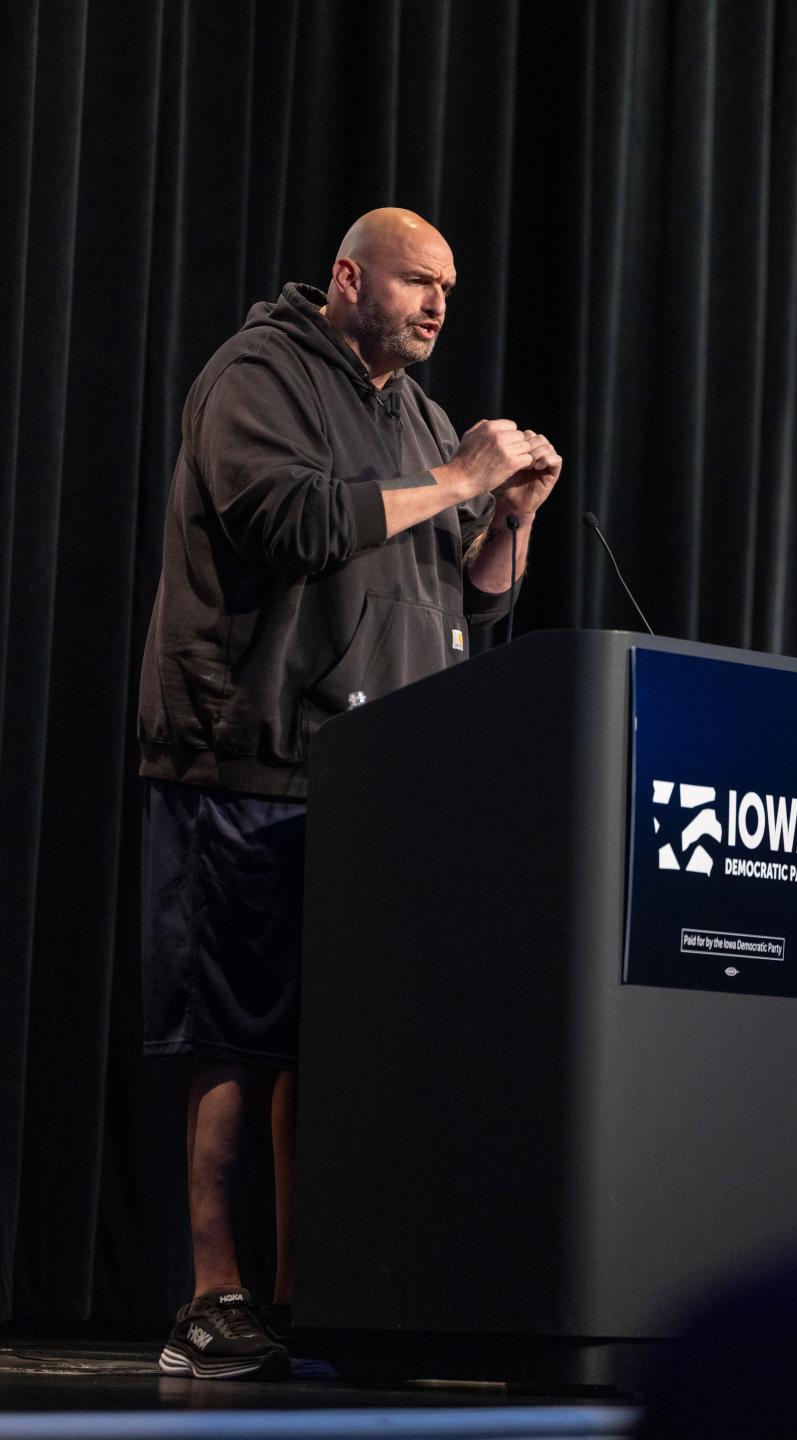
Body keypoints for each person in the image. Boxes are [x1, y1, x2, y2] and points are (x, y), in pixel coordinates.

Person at [137, 207, 561, 1379]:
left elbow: (466, 599)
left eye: (449, 289)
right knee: (237, 1031)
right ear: (347, 279)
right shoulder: (258, 373)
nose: (436, 304)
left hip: (372, 781)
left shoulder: (412, 413)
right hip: (251, 754)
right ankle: (209, 1298)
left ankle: (302, 1291)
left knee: (329, 1043)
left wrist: (507, 520)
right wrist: (459, 474)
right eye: (418, 282)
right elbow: (294, 518)